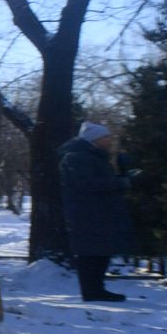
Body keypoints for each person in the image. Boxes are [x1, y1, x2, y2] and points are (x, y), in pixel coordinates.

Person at [59, 121, 137, 302]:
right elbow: (87, 184)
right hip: (87, 213)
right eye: (106, 137)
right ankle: (92, 290)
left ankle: (96, 288)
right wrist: (121, 183)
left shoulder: (92, 156)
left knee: (100, 251)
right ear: (94, 139)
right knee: (90, 253)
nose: (110, 140)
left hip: (97, 212)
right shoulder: (78, 157)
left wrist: (123, 177)